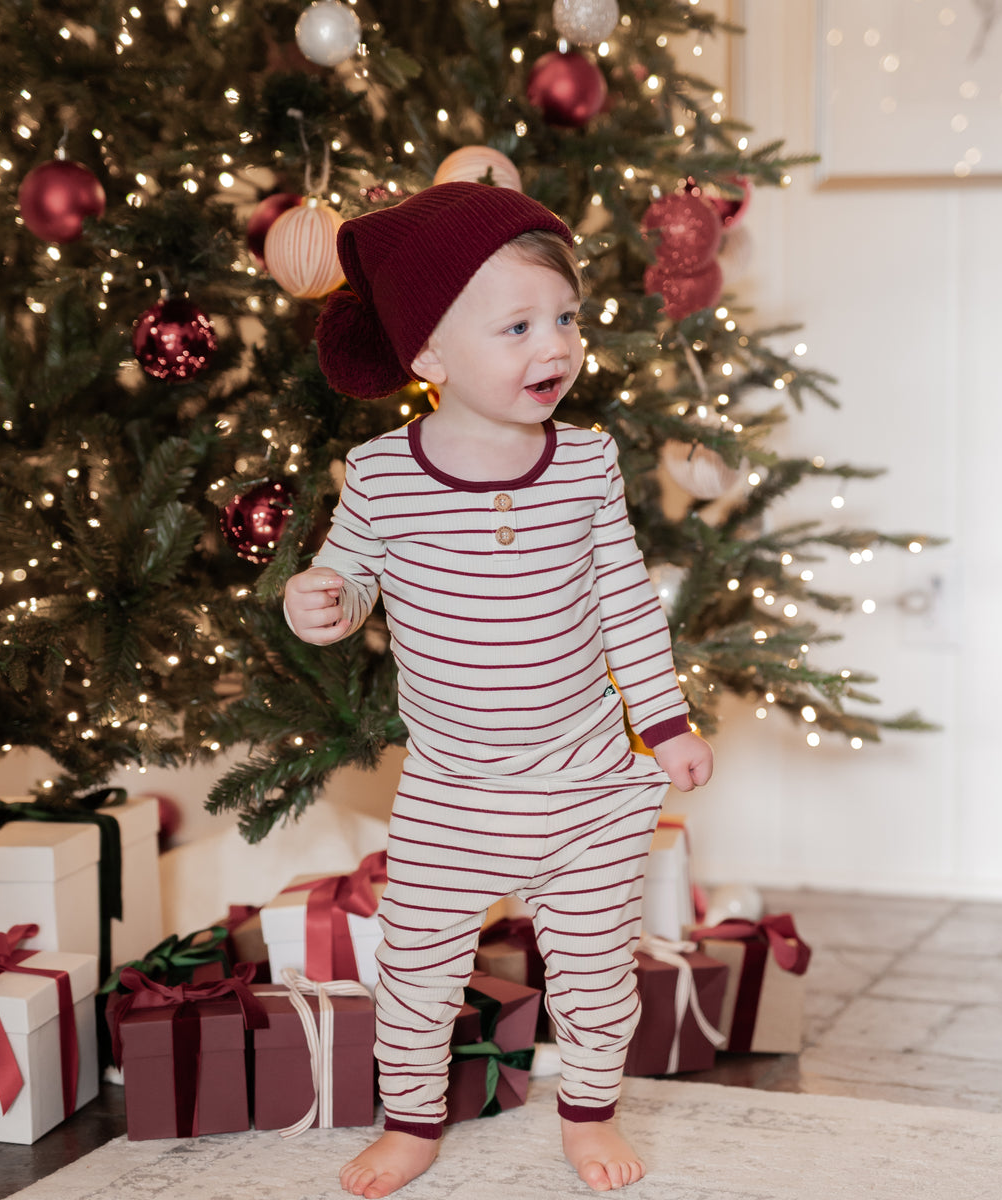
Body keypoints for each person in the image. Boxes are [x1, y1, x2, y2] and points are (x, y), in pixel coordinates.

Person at [284, 182, 714, 1198]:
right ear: (428, 355)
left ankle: (589, 1113)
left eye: (564, 318)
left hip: (584, 781)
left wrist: (664, 722)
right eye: (517, 325)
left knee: (597, 970)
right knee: (418, 971)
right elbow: (350, 579)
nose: (553, 346)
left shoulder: (587, 464)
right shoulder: (384, 476)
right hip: (453, 790)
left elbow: (623, 599)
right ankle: (414, 1124)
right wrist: (325, 599)